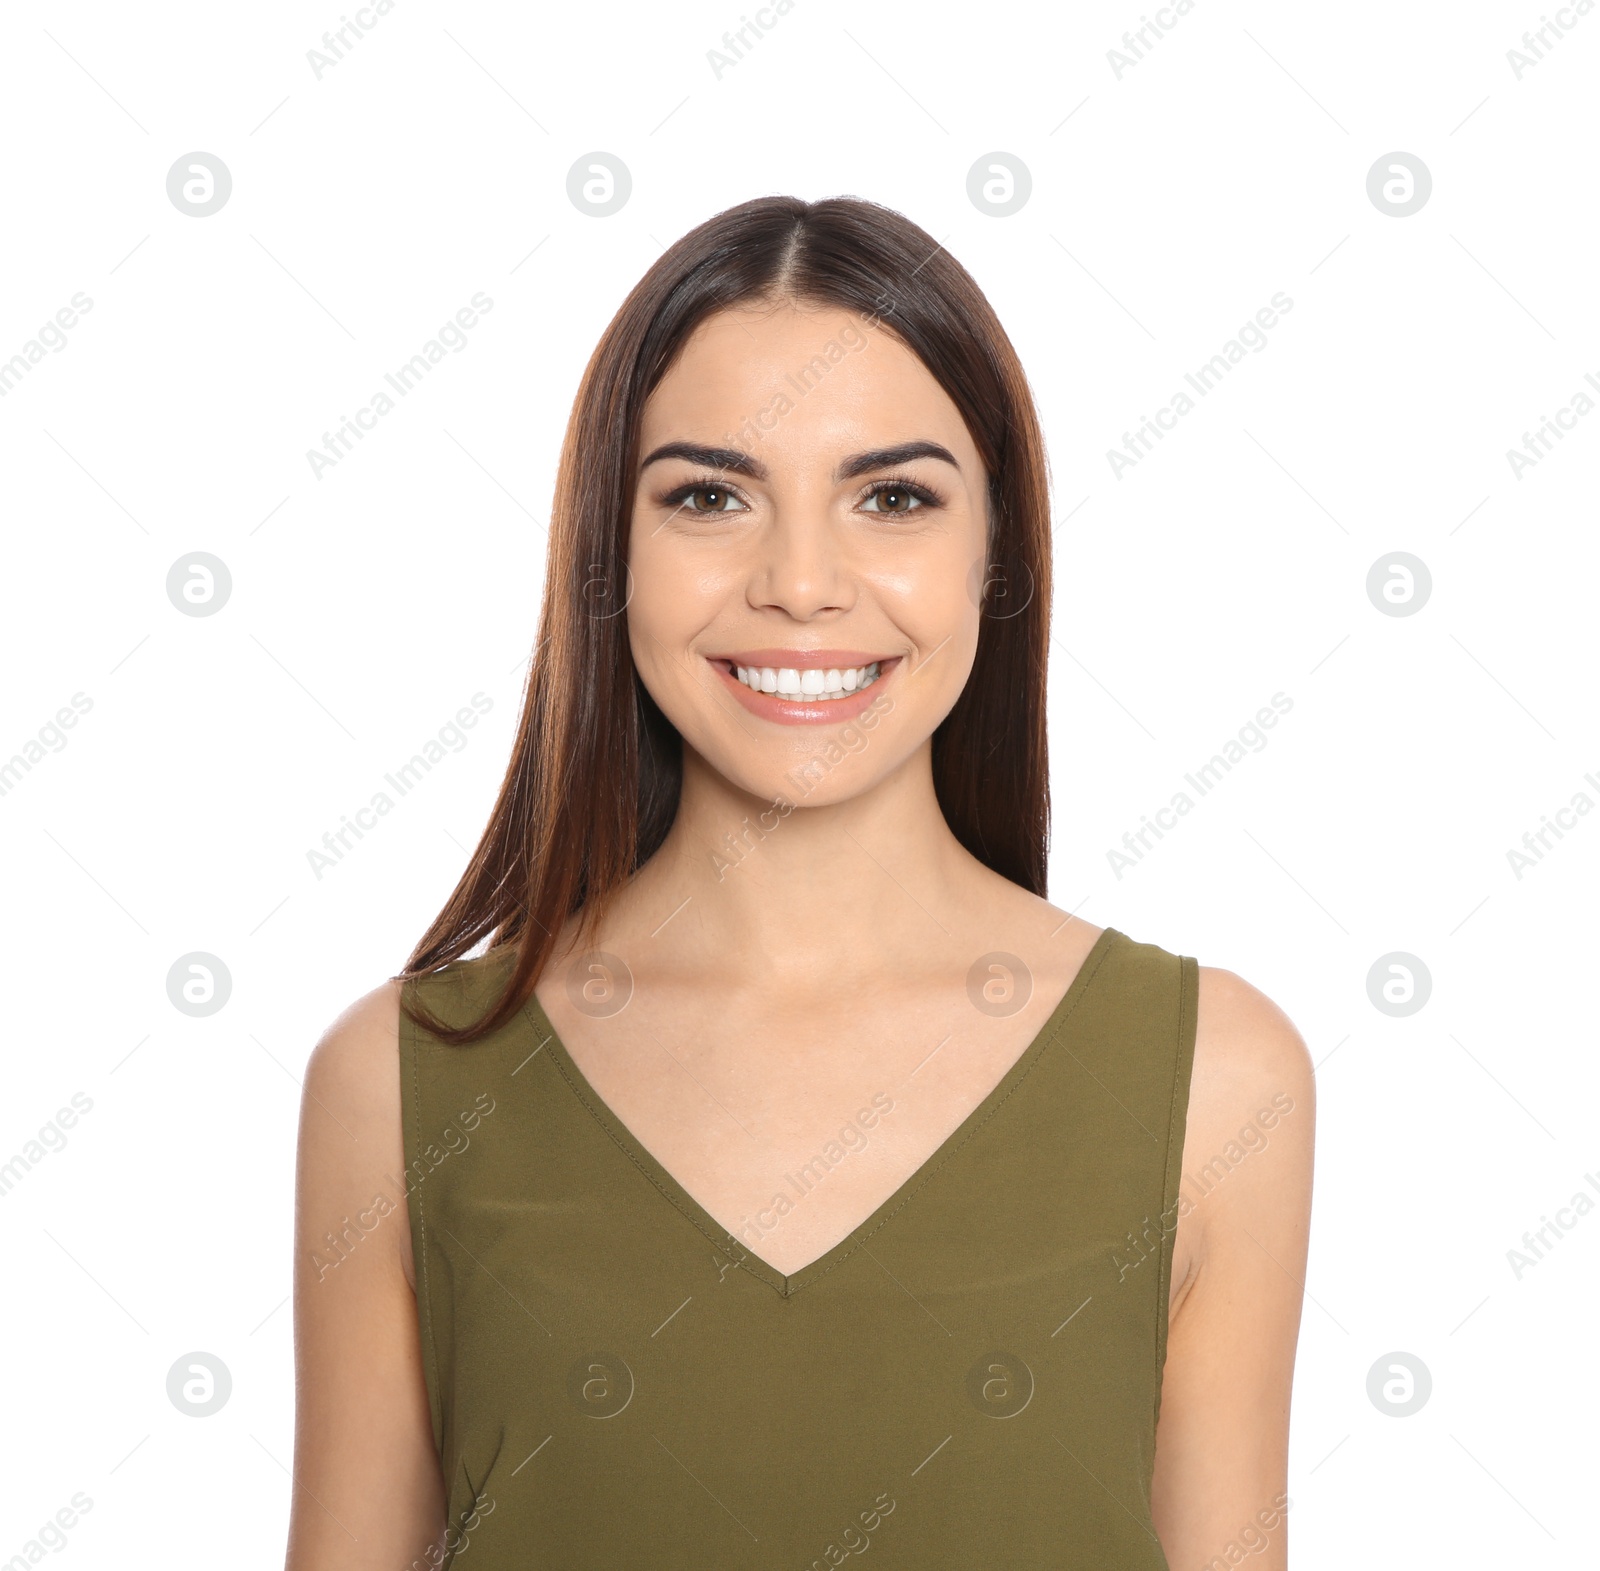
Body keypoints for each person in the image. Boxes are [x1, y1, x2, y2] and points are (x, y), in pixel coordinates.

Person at [286, 195, 1314, 1570]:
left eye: (893, 497)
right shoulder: (404, 1079)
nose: (802, 584)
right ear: (613, 555)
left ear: (993, 553)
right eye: (710, 497)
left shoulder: (1215, 1077)